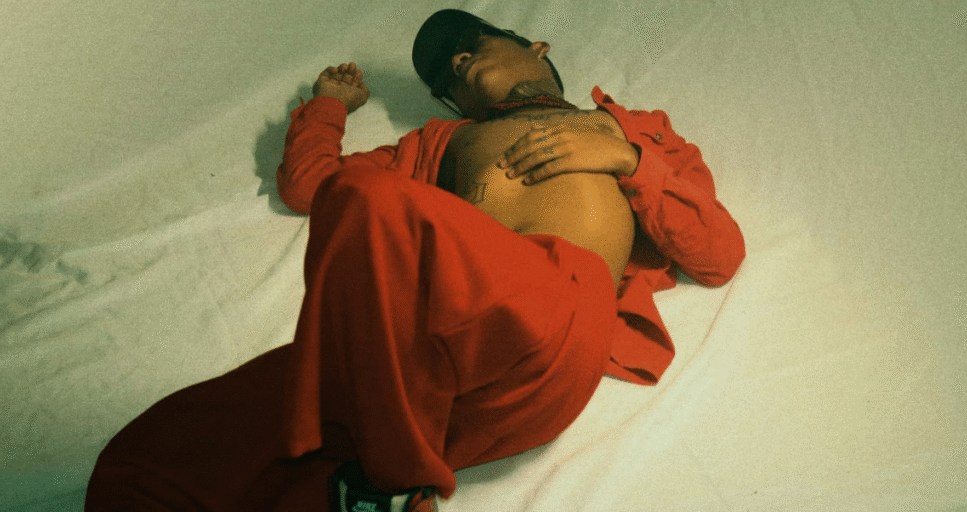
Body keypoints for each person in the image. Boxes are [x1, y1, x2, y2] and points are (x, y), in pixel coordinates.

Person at [86, 9, 744, 512]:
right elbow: (311, 187)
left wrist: (628, 158)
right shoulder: (437, 144)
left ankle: (392, 479)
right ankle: (383, 489)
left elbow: (719, 254)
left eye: (471, 45)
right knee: (154, 452)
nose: (457, 63)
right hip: (445, 374)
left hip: (556, 323)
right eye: (446, 76)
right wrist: (329, 105)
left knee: (368, 198)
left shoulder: (634, 127)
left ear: (536, 48)